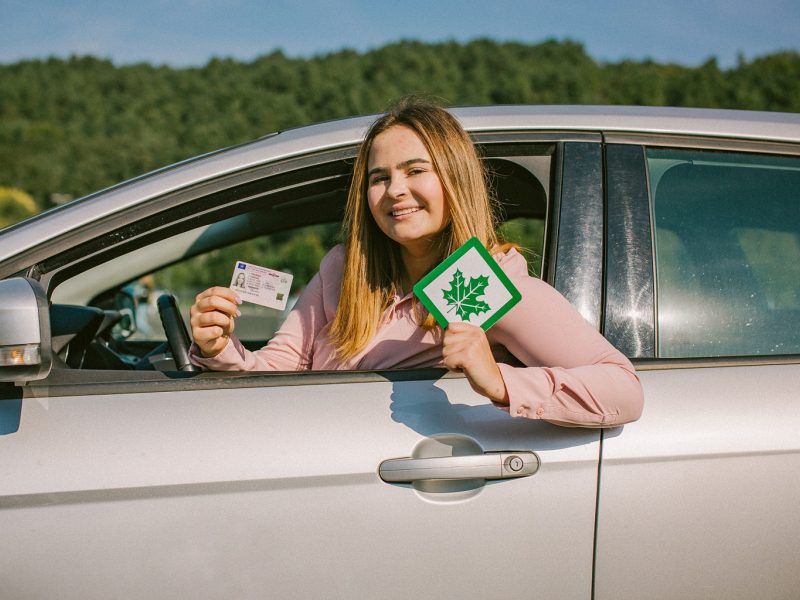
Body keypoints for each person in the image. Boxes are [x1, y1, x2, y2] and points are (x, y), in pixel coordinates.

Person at [189, 98, 643, 427]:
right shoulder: (342, 270)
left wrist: (500, 381)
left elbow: (624, 392)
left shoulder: (494, 286)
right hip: (319, 469)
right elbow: (275, 374)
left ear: (454, 177)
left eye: (415, 171)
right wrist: (219, 349)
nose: (395, 191)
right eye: (379, 178)